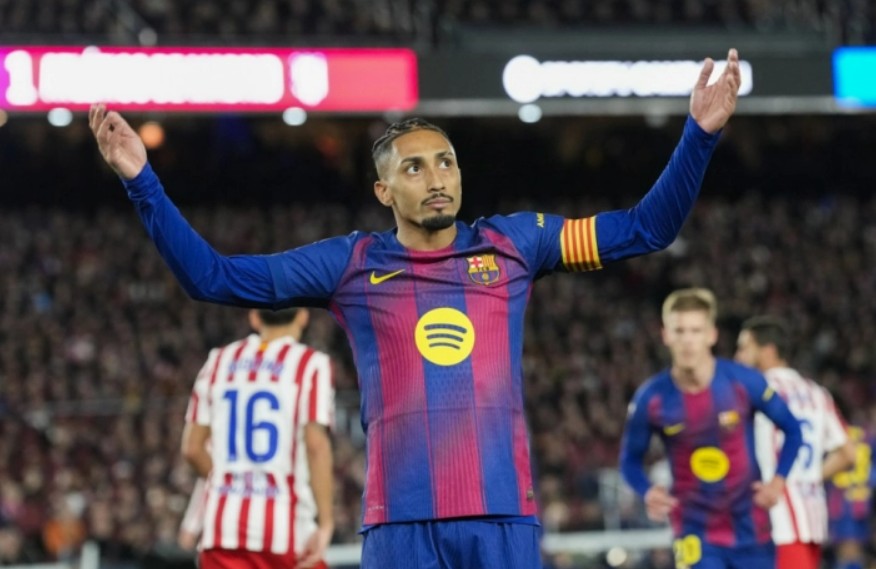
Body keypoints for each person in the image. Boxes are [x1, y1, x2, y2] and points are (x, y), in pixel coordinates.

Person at [90, 49, 741, 569]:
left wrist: (699, 137)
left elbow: (645, 229)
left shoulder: (516, 244)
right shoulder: (350, 263)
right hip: (399, 523)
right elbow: (212, 277)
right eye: (415, 169)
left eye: (445, 163)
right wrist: (141, 181)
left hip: (503, 517)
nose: (436, 179)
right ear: (384, 190)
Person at [620, 288, 803, 569]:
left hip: (752, 529)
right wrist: (647, 491)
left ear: (711, 335)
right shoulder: (651, 398)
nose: (687, 341)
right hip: (693, 532)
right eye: (679, 331)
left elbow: (793, 430)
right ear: (666, 335)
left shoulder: (744, 382)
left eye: (696, 331)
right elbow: (630, 459)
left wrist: (777, 482)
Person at [180, 308, 334, 569]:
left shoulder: (218, 360)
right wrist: (326, 522)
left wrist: (231, 481)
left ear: (254, 317)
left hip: (222, 528)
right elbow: (316, 446)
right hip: (285, 528)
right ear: (302, 316)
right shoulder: (310, 364)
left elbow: (192, 449)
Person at [735, 316, 855, 569]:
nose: (738, 357)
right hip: (812, 517)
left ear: (768, 351)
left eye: (745, 348)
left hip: (774, 521)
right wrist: (809, 478)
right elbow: (848, 454)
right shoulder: (817, 393)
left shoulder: (756, 391)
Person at [826, 425, 874, 569]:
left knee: (850, 551)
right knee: (848, 551)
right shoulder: (867, 436)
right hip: (853, 503)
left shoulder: (836, 433)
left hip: (847, 504)